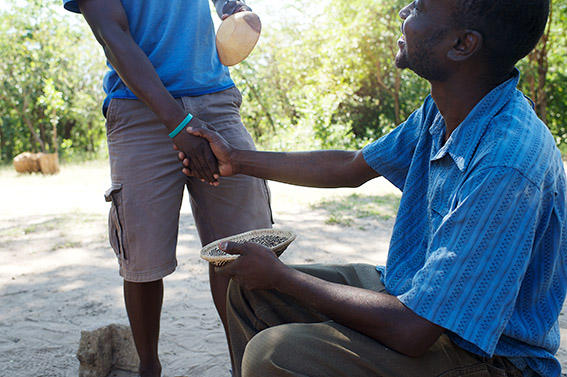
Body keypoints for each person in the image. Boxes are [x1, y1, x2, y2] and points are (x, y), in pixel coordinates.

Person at [178, 0, 567, 375]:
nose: (404, 13)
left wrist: (282, 276)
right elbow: (351, 165)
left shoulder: (505, 164)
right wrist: (237, 160)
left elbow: (415, 330)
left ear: (462, 45)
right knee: (249, 291)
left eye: (420, 7)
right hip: (413, 299)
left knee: (274, 354)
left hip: (491, 360)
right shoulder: (450, 108)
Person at [62, 0, 272, 375]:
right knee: (143, 260)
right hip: (138, 107)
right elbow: (112, 34)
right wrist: (178, 124)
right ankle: (149, 368)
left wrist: (231, 7)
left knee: (242, 249)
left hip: (216, 99)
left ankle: (245, 367)